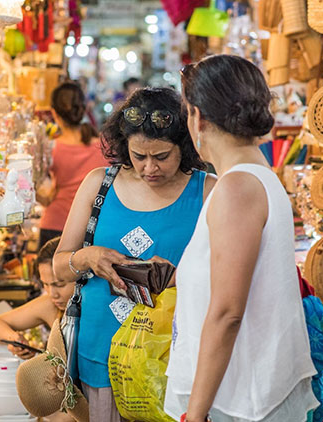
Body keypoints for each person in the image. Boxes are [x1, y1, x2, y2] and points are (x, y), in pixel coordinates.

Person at [164, 54, 318, 422]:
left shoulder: (237, 187)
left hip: (239, 402)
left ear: (198, 117)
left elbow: (227, 312)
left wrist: (195, 414)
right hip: (241, 394)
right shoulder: (253, 177)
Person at [53, 87, 216, 422]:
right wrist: (89, 258)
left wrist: (178, 278)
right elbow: (59, 266)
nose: (149, 168)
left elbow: (232, 280)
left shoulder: (209, 191)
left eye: (161, 156)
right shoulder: (99, 184)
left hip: (174, 358)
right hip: (101, 352)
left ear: (184, 147)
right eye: (139, 156)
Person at [38, 82, 108, 248]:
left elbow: (35, 188)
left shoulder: (51, 148)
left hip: (55, 224)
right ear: (84, 109)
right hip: (91, 229)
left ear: (54, 113)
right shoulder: (105, 147)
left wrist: (44, 197)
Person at [0, 237, 72, 360]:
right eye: (45, 284)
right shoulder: (50, 305)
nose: (53, 294)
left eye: (59, 285)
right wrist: (14, 338)